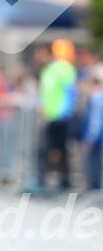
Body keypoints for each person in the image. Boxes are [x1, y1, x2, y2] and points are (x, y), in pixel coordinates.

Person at [26, 40, 77, 196]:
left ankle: (60, 183)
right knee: (49, 150)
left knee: (57, 151)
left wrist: (64, 113)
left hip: (60, 118)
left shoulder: (64, 68)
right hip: (51, 117)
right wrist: (40, 105)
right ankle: (47, 182)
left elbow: (69, 93)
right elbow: (45, 93)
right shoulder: (48, 70)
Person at [81, 64, 103, 191]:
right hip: (98, 139)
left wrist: (90, 138)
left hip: (96, 139)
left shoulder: (96, 99)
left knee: (94, 164)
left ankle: (96, 188)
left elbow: (95, 122)